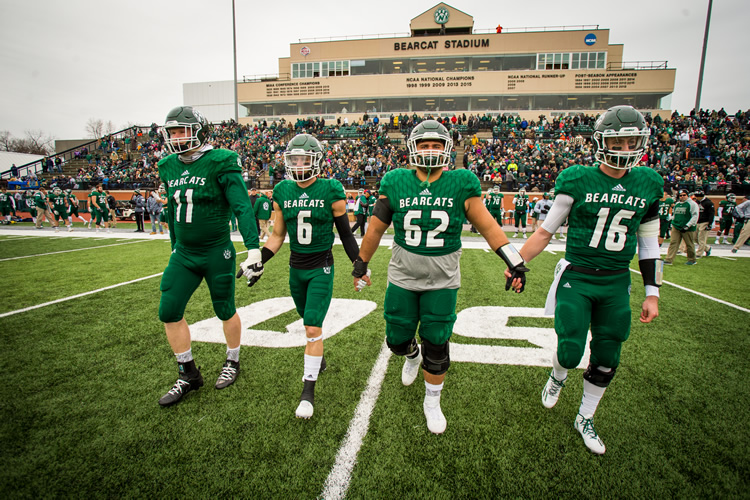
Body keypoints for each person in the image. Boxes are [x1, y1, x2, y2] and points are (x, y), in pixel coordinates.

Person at [351, 120, 528, 434]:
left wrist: (515, 261)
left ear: (447, 149)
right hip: (403, 277)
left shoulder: (461, 182)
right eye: (424, 144)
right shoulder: (395, 181)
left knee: (437, 342)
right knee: (396, 340)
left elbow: (488, 226)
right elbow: (376, 227)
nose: (430, 150)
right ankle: (410, 354)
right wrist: (360, 263)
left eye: (435, 145)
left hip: (443, 280)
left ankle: (432, 401)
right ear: (413, 148)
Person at [510, 106, 663, 455]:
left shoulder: (648, 183)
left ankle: (585, 417)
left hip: (615, 281)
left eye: (631, 142)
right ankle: (558, 376)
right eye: (618, 142)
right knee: (570, 349)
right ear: (602, 141)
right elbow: (545, 231)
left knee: (609, 352)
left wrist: (652, 293)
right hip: (577, 275)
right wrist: (517, 262)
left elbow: (649, 244)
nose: (625, 150)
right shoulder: (578, 178)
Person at [156, 105, 263, 407]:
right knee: (169, 309)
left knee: (224, 308)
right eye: (172, 132)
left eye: (182, 131)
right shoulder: (168, 166)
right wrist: (174, 245)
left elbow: (242, 206)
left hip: (217, 249)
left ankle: (233, 360)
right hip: (185, 254)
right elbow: (172, 209)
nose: (177, 138)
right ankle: (187, 372)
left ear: (201, 132)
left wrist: (253, 248)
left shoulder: (222, 160)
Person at [260, 133, 362, 419]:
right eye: (294, 159)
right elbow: (278, 234)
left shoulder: (331, 189)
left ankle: (308, 391)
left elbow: (344, 233)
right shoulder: (282, 190)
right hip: (296, 268)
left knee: (312, 328)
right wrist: (260, 259)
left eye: (304, 158)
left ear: (316, 160)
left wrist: (358, 263)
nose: (299, 164)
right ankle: (319, 357)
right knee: (308, 324)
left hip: (321, 267)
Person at [664, 189, 699, 265]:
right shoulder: (677, 204)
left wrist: (687, 225)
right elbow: (675, 215)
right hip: (676, 226)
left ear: (687, 195)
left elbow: (695, 216)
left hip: (687, 227)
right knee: (673, 242)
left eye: (684, 195)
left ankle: (692, 259)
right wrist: (671, 219)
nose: (682, 197)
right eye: (680, 195)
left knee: (689, 244)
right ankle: (669, 259)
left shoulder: (692, 204)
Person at [694, 190, 714, 258]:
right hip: (697, 221)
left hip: (705, 221)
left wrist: (710, 223)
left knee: (701, 238)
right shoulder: (697, 202)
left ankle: (699, 253)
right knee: (695, 237)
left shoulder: (708, 203)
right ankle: (707, 248)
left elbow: (711, 214)